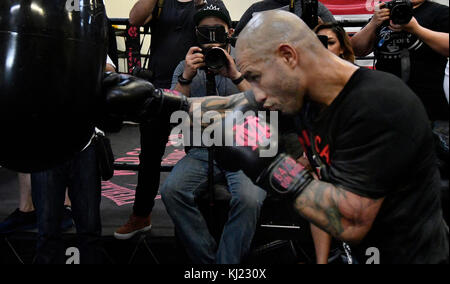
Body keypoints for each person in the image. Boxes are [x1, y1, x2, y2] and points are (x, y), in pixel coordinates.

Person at [159, 0, 266, 264]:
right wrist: (185, 76)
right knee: (172, 191)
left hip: (245, 149)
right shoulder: (185, 66)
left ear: (230, 31)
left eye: (217, 30)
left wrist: (235, 75)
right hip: (201, 150)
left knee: (249, 199)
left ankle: (226, 264)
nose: (211, 36)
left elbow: (265, 109)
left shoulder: (248, 61)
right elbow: (175, 116)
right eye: (204, 30)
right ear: (196, 34)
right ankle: (208, 262)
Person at [114, 0, 206, 240]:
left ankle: (197, 219)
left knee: (198, 154)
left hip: (195, 89)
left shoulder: (208, 1)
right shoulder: (162, 3)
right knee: (149, 157)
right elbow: (134, 19)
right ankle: (141, 215)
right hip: (159, 91)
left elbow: (219, 30)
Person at [30, 58, 116, 264]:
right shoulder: (37, 40)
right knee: (47, 232)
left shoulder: (83, 34)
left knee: (89, 230)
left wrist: (72, 62)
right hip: (46, 146)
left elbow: (110, 71)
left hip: (84, 143)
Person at [350, 0, 449, 122]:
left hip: (430, 104)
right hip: (388, 101)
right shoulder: (386, 12)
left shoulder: (439, 12)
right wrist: (373, 23)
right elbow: (356, 50)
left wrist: (416, 29)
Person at [234, 0, 336, 37]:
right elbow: (236, 40)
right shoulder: (256, 9)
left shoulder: (314, 7)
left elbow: (339, 38)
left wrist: (320, 30)